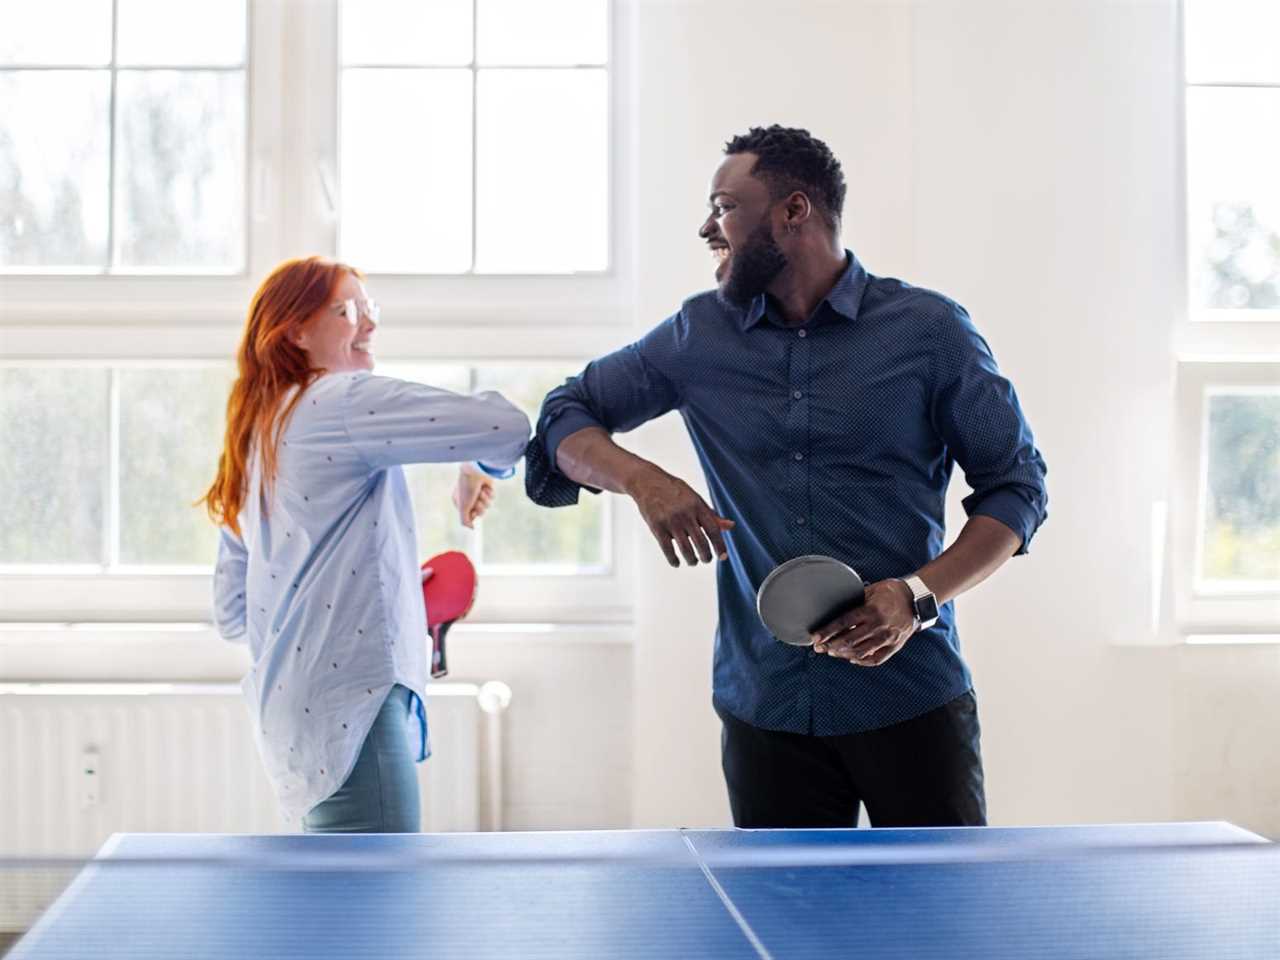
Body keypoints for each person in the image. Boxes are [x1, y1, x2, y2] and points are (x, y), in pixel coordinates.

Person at [525, 126, 1048, 829]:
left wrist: (917, 596)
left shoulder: (929, 331)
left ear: (793, 211)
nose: (708, 227)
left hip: (913, 699)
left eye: (724, 206)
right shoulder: (696, 335)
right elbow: (565, 415)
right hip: (764, 707)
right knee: (784, 934)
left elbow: (1017, 487)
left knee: (939, 932)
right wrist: (644, 481)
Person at [202, 256, 530, 832]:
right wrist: (478, 458)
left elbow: (233, 614)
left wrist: (373, 592)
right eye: (349, 310)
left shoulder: (257, 435)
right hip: (354, 707)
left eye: (370, 309)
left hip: (294, 718)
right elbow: (505, 428)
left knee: (343, 908)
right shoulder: (339, 399)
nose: (370, 325)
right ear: (296, 331)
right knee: (379, 909)